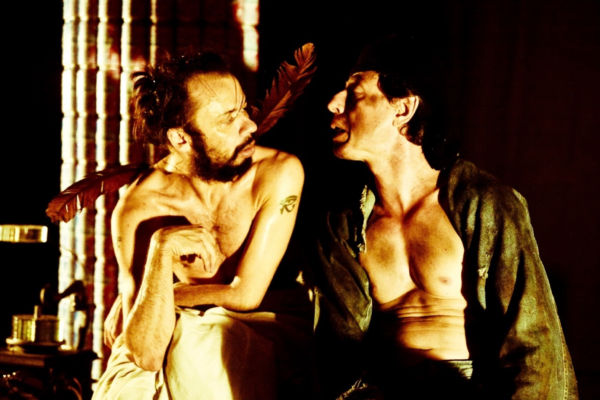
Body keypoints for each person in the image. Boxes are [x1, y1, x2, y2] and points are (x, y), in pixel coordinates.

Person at [312, 35, 578, 399]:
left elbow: (533, 337)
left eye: (354, 93)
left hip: (472, 387)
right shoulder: (345, 225)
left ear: (403, 109)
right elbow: (337, 351)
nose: (333, 103)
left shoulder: (484, 204)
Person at [93, 51, 313, 400]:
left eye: (243, 109)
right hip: (177, 325)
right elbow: (145, 351)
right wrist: (161, 247)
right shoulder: (139, 208)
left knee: (200, 348)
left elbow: (245, 295)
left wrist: (162, 297)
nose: (250, 126)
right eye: (228, 119)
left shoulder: (277, 173)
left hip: (266, 320)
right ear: (181, 139)